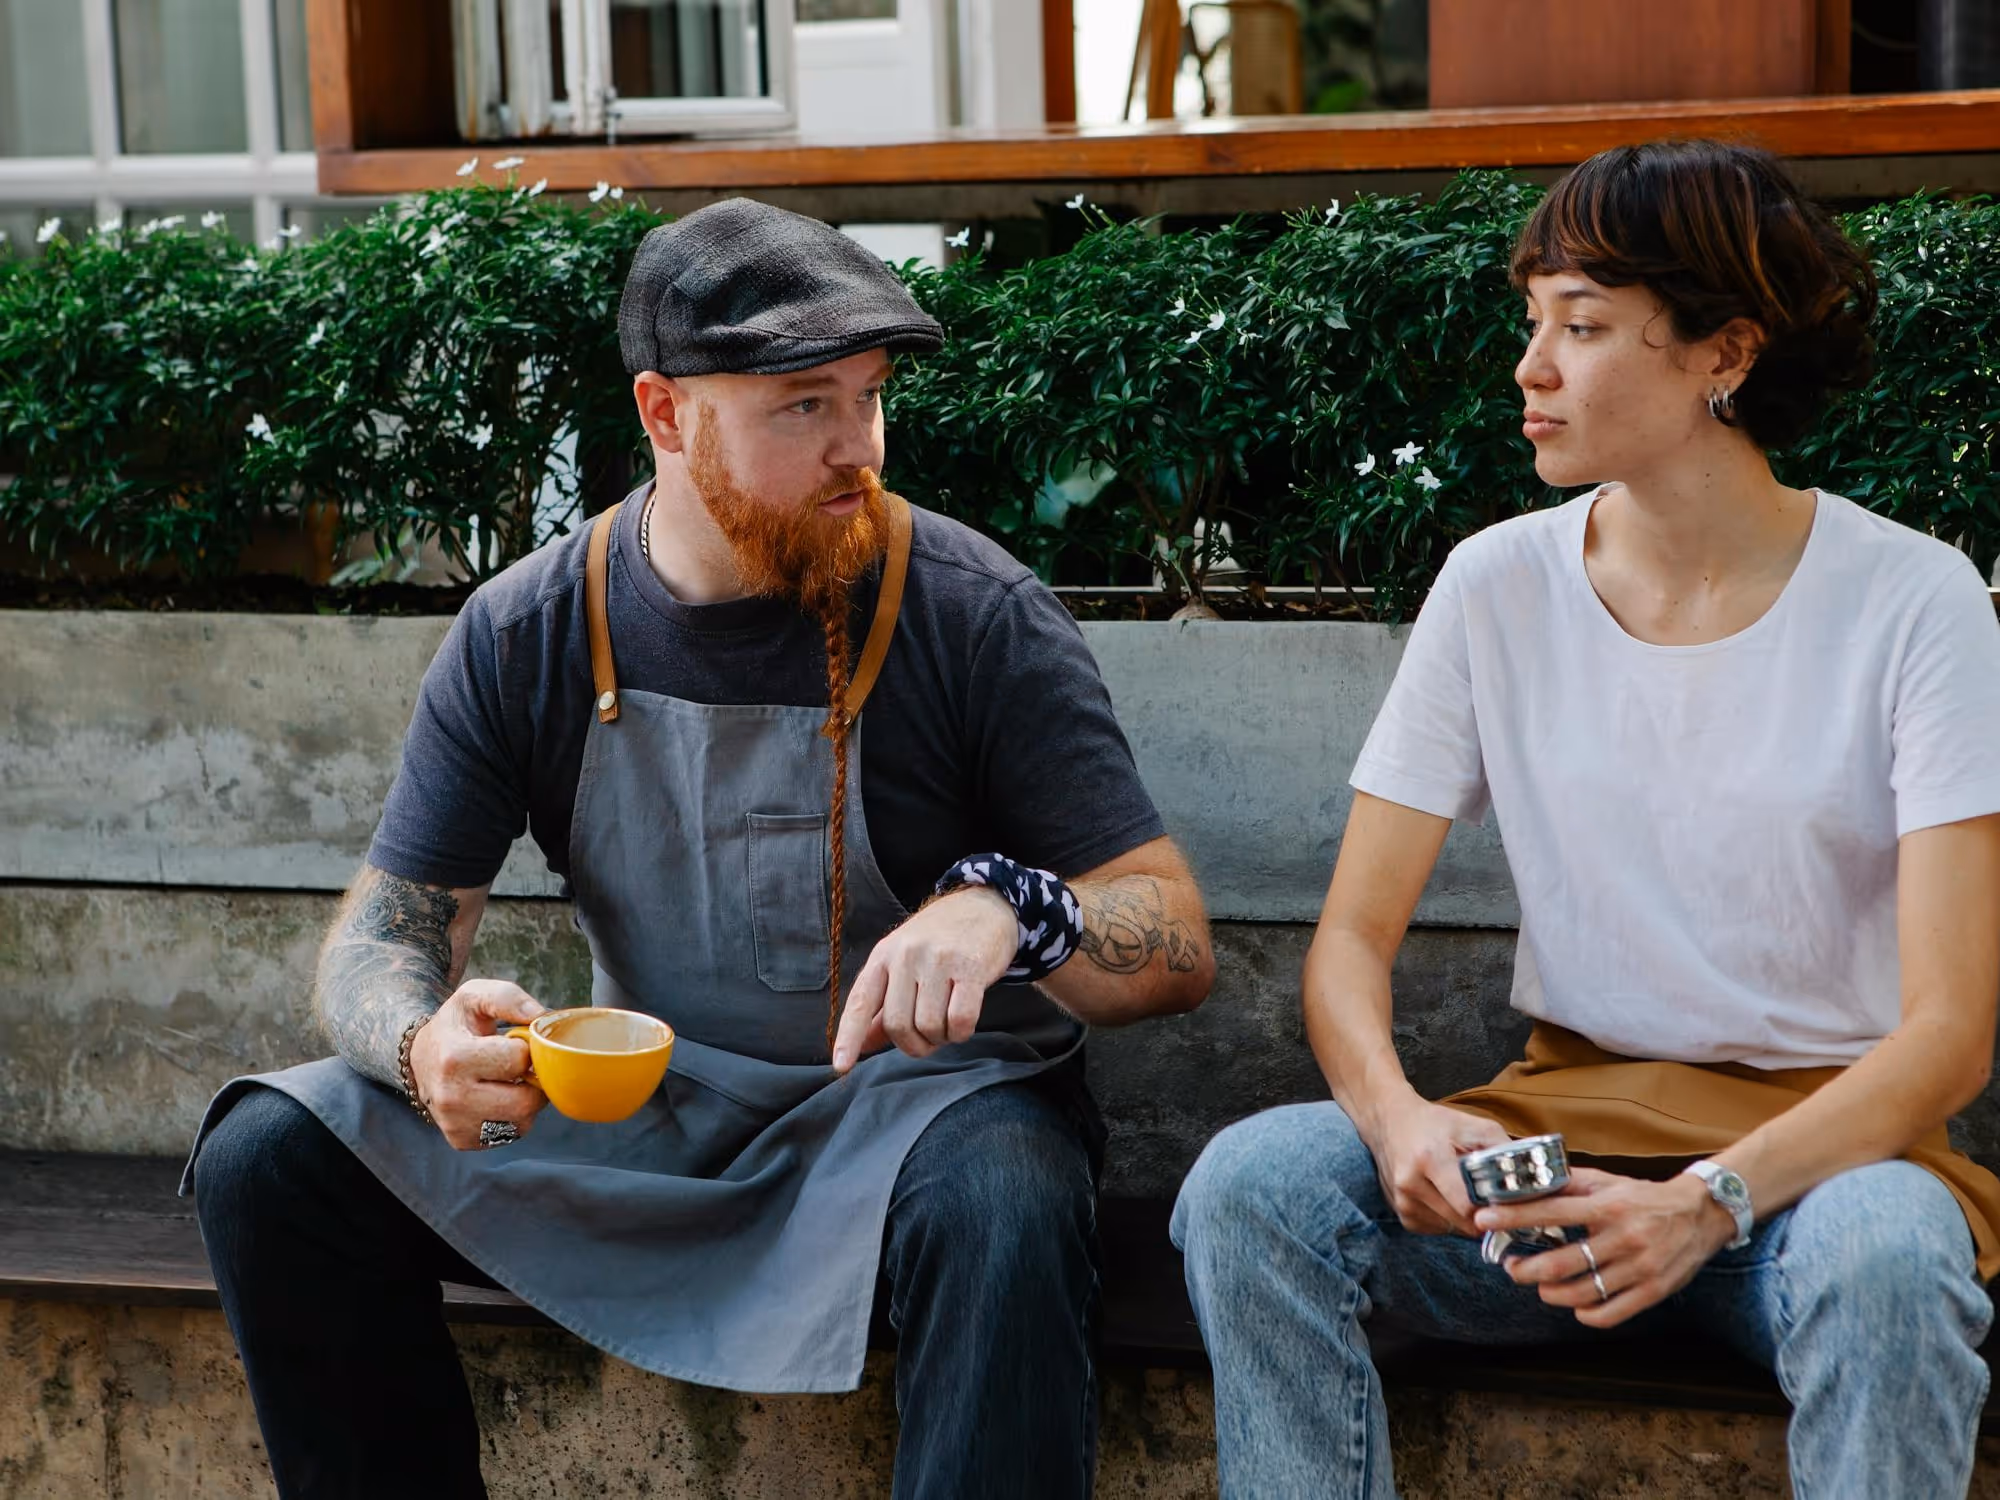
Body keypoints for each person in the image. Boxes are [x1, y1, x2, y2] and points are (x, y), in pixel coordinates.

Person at [187, 197, 1214, 1500]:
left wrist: (1020, 910)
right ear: (665, 414)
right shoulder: (527, 633)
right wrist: (419, 1042)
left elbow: (1173, 938)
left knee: (1009, 1198)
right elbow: (385, 937)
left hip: (921, 1125)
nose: (860, 448)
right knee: (270, 1155)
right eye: (803, 406)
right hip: (666, 1117)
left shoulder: (974, 613)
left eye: (871, 396)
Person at [1172, 139, 2000, 1498]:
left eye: (1585, 325)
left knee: (1893, 1261)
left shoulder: (1913, 603)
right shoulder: (1496, 585)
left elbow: (1950, 1040)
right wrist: (1399, 1125)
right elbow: (1348, 947)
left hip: (1815, 1180)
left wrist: (1707, 1203)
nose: (1531, 366)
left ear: (1720, 353)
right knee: (1255, 1186)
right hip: (1553, 1163)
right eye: (1533, 320)